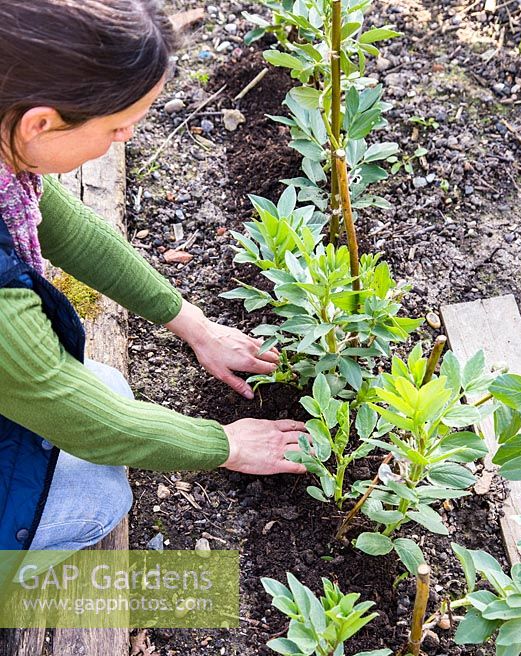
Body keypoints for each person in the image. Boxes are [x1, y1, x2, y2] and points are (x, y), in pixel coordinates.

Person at [0, 0, 307, 552]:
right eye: (119, 126)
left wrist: (194, 325)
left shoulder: (8, 171)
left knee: (110, 388)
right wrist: (225, 445)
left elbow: (68, 231)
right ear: (39, 124)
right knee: (101, 499)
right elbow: (83, 420)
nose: (125, 139)